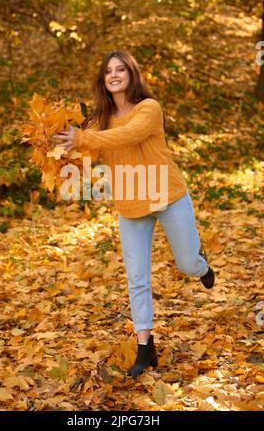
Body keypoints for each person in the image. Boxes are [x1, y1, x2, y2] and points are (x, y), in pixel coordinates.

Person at [53, 49, 215, 378]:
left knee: (186, 264)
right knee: (137, 278)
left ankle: (201, 264)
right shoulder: (99, 121)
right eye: (108, 71)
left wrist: (82, 137)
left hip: (167, 195)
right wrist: (55, 146)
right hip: (130, 205)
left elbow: (129, 134)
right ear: (103, 80)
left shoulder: (149, 108)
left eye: (120, 70)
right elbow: (87, 149)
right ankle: (146, 348)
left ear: (131, 75)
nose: (114, 75)